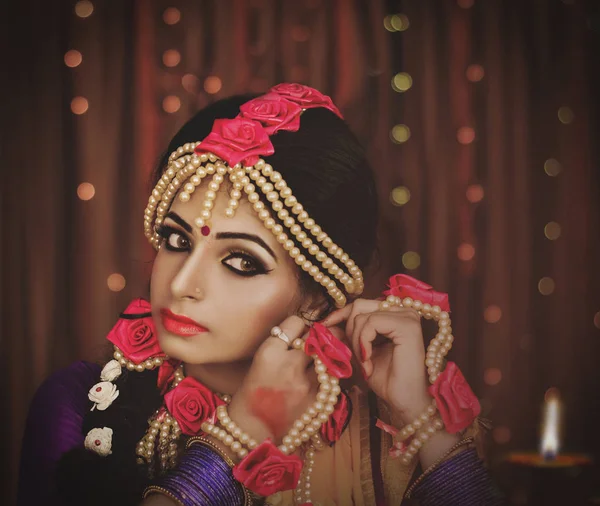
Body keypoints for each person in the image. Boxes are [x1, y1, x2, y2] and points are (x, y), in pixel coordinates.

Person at [17, 84, 504, 505]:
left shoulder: (393, 438)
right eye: (175, 240)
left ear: (316, 297)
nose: (182, 284)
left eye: (241, 263)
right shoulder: (78, 405)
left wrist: (422, 422)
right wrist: (237, 438)